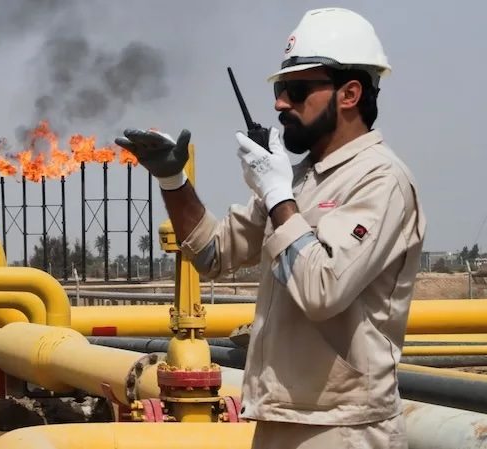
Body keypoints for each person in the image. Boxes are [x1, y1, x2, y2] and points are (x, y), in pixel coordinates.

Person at [115, 7, 425, 449]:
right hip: (279, 415)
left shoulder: (380, 181)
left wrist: (277, 193)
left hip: (344, 426)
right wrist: (173, 180)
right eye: (281, 90)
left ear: (350, 93)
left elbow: (323, 291)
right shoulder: (298, 179)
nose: (281, 103)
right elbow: (212, 254)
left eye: (297, 90)